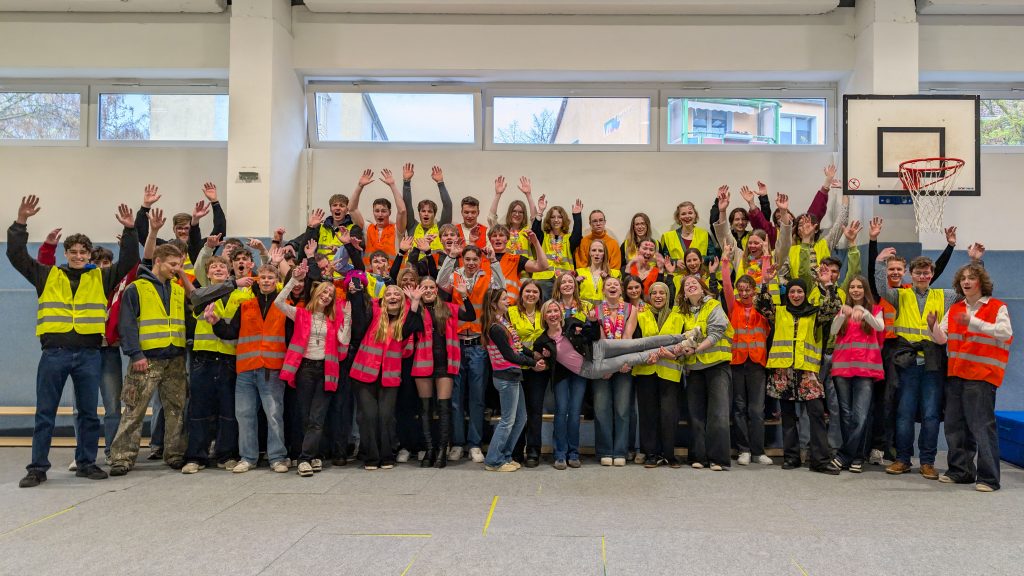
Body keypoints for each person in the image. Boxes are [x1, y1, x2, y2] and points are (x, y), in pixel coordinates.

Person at [8, 196, 140, 487]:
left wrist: (131, 230)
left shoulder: (102, 278)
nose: (79, 256)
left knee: (89, 413)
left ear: (89, 254)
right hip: (54, 353)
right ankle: (38, 468)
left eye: (84, 252)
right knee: (45, 413)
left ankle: (86, 462)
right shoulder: (46, 275)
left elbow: (130, 260)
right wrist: (21, 222)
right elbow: (16, 256)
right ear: (65, 253)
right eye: (73, 251)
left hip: (89, 354)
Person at [874, 243, 985, 479]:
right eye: (918, 272)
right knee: (903, 413)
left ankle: (927, 462)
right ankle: (903, 459)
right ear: (910, 275)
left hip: (933, 364)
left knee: (931, 415)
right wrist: (879, 262)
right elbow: (882, 288)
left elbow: (971, 289)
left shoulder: (943, 296)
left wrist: (975, 262)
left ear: (931, 275)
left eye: (926, 273)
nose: (922, 276)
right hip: (907, 363)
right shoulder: (899, 294)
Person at [929, 263, 1012, 492]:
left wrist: (974, 322)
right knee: (955, 426)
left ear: (981, 283)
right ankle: (960, 471)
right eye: (963, 278)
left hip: (982, 376)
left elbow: (1006, 333)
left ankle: (989, 478)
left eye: (971, 278)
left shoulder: (997, 307)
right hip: (956, 374)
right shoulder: (955, 309)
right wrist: (933, 327)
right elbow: (942, 339)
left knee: (982, 427)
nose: (966, 282)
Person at [108, 243, 188, 477]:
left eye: (179, 265)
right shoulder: (136, 288)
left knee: (176, 409)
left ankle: (174, 454)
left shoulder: (178, 290)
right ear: (158, 261)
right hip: (146, 360)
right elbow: (127, 324)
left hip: (174, 359)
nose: (177, 269)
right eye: (173, 264)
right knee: (134, 410)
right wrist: (135, 354)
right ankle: (122, 457)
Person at [207, 259, 291, 474]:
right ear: (257, 281)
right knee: (244, 415)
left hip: (272, 369)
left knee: (273, 415)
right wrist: (216, 322)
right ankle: (248, 457)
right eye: (262, 277)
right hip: (246, 369)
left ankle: (278, 457)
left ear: (277, 282)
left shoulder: (284, 306)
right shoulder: (245, 305)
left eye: (270, 278)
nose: (266, 281)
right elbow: (230, 332)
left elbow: (291, 338)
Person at [757, 271, 842, 475]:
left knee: (817, 414)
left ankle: (819, 460)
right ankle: (791, 457)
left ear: (805, 294)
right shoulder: (779, 312)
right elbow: (761, 305)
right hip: (783, 370)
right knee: (788, 416)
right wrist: (765, 284)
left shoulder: (816, 313)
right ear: (789, 294)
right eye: (793, 291)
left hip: (808, 371)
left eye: (800, 292)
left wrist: (828, 284)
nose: (796, 295)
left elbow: (834, 306)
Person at [276, 262, 349, 477]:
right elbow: (279, 302)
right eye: (324, 291)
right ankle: (313, 455)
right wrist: (294, 280)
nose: (327, 296)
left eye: (331, 294)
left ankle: (305, 459)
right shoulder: (300, 314)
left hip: (326, 369)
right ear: (316, 292)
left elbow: (344, 341)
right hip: (305, 369)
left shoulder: (333, 320)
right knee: (305, 417)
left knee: (318, 417)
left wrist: (349, 318)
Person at [181, 254, 253, 474]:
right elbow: (194, 299)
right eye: (214, 267)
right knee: (199, 409)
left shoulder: (242, 294)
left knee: (228, 411)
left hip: (229, 359)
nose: (219, 269)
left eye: (222, 265)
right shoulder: (201, 294)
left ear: (229, 269)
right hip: (203, 358)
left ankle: (226, 454)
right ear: (207, 273)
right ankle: (196, 457)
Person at [437, 243, 506, 463]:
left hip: (478, 344)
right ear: (462, 259)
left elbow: (501, 286)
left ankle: (475, 443)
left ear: (480, 260)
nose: (470, 263)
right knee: (456, 397)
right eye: (467, 259)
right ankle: (457, 443)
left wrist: (494, 261)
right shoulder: (455, 276)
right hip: (456, 343)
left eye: (474, 259)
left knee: (477, 397)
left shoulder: (487, 276)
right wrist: (450, 257)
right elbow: (440, 282)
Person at [349, 284, 424, 470]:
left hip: (389, 377)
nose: (392, 296)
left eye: (396, 294)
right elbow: (358, 311)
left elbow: (413, 325)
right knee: (369, 416)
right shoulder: (373, 313)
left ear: (401, 299)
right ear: (382, 299)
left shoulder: (405, 320)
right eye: (388, 293)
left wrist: (414, 301)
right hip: (364, 373)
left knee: (386, 417)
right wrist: (356, 291)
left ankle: (386, 455)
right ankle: (371, 457)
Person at [411, 276, 474, 467]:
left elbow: (470, 316)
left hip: (445, 364)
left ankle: (441, 452)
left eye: (432, 287)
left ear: (436, 290)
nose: (428, 290)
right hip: (423, 362)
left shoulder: (448, 308)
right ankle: (429, 450)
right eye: (424, 287)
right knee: (425, 408)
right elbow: (407, 328)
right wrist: (414, 302)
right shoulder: (416, 309)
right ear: (419, 290)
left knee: (444, 407)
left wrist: (463, 295)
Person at [481, 289, 545, 471]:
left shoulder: (504, 322)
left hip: (513, 376)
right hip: (505, 376)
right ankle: (493, 460)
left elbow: (517, 346)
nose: (508, 301)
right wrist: (532, 363)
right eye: (503, 299)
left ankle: (505, 455)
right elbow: (509, 355)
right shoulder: (495, 327)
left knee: (521, 417)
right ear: (494, 304)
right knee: (507, 420)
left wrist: (533, 354)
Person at [720, 245, 772, 466]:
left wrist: (767, 256)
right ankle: (743, 450)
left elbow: (765, 282)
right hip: (737, 362)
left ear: (754, 290)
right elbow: (726, 286)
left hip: (758, 362)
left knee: (757, 409)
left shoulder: (763, 305)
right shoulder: (734, 307)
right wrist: (725, 262)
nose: (743, 293)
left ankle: (758, 451)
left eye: (747, 289)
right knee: (739, 407)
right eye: (740, 289)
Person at [675, 274, 734, 471]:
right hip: (694, 369)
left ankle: (718, 458)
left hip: (717, 366)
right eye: (687, 285)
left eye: (695, 284)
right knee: (695, 414)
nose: (691, 286)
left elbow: (717, 332)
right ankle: (698, 456)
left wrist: (696, 349)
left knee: (718, 414)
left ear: (702, 288)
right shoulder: (680, 313)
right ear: (683, 294)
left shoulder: (713, 305)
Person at [828, 275, 885, 474]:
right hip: (842, 369)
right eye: (852, 287)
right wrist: (843, 315)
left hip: (865, 369)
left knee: (860, 416)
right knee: (845, 415)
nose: (855, 290)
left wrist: (864, 312)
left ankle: (844, 455)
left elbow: (880, 327)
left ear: (865, 289)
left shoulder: (875, 310)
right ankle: (857, 457)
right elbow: (834, 331)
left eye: (859, 286)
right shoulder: (843, 310)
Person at [632, 282, 685, 468]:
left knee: (669, 414)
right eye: (653, 293)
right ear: (649, 296)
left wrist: (672, 353)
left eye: (662, 292)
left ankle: (669, 454)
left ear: (668, 295)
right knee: (648, 414)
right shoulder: (640, 315)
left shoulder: (679, 316)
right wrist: (646, 357)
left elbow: (684, 344)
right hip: (646, 371)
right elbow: (635, 342)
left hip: (669, 372)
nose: (658, 296)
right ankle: (651, 454)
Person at [590, 276, 640, 467]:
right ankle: (604, 450)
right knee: (601, 408)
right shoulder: (595, 311)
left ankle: (620, 450)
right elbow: (599, 341)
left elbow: (627, 338)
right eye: (608, 284)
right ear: (603, 290)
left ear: (621, 290)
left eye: (616, 284)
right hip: (601, 365)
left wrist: (621, 364)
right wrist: (607, 366)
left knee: (622, 409)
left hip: (624, 365)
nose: (612, 286)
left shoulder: (631, 309)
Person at [134, 182, 225, 285]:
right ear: (174, 229)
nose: (183, 231)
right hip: (170, 291)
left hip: (197, 294)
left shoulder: (201, 247)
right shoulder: (165, 247)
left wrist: (215, 202)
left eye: (186, 228)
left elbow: (220, 231)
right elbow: (142, 236)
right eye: (179, 228)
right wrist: (145, 206)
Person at [507, 280, 547, 467]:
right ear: (521, 294)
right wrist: (531, 359)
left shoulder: (544, 313)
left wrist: (542, 358)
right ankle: (516, 449)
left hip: (540, 369)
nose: (531, 294)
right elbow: (512, 341)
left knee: (535, 411)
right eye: (527, 291)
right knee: (517, 412)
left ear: (540, 295)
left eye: (535, 292)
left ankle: (533, 450)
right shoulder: (511, 312)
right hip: (517, 367)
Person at [350, 168, 408, 267]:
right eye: (377, 211)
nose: (380, 214)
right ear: (373, 212)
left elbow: (402, 211)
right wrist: (360, 186)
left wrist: (392, 185)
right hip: (371, 277)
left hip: (392, 276)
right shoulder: (368, 228)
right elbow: (352, 209)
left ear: (389, 212)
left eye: (383, 211)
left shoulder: (396, 229)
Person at [531, 196, 583, 301]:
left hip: (564, 279)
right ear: (548, 220)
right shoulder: (543, 237)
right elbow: (535, 231)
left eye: (559, 217)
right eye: (553, 217)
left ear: (563, 220)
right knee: (545, 308)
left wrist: (577, 215)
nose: (556, 220)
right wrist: (540, 212)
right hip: (543, 279)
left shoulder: (568, 238)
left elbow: (577, 235)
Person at [489, 224, 548, 304]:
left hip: (509, 307)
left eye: (501, 235)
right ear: (490, 239)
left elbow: (543, 266)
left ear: (507, 240)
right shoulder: (483, 259)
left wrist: (535, 242)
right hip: (488, 306)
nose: (498, 238)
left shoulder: (515, 259)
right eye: (494, 236)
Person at [404, 163, 452, 252]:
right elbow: (407, 205)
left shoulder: (441, 227)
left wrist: (440, 183)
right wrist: (406, 182)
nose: (426, 213)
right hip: (414, 265)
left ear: (434, 214)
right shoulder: (412, 226)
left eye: (430, 211)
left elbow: (448, 206)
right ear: (419, 213)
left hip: (434, 265)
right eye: (423, 211)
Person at [487, 175, 538, 257]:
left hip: (525, 268)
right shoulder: (503, 231)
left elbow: (536, 220)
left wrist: (528, 195)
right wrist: (498, 194)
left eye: (520, 212)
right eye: (514, 211)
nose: (517, 214)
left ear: (524, 215)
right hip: (507, 267)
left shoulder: (527, 231)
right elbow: (491, 219)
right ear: (509, 213)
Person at [577, 238, 620, 307]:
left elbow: (619, 296)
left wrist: (608, 279)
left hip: (605, 314)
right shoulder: (579, 272)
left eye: (600, 251)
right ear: (589, 253)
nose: (597, 253)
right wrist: (576, 283)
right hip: (584, 314)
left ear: (604, 254)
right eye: (594, 250)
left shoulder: (614, 274)